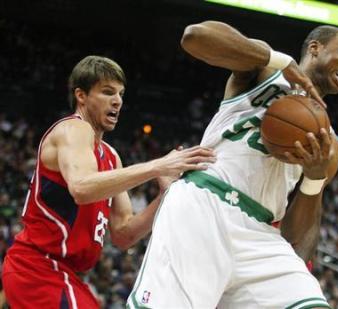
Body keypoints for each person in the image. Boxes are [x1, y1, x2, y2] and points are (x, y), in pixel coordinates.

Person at [128, 21, 338, 308]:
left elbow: (298, 242)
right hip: (206, 203)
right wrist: (278, 60)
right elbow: (195, 37)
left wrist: (313, 178)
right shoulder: (264, 70)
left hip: (260, 233)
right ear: (315, 48)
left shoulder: (329, 145)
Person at [1, 55, 216, 308]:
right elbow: (81, 188)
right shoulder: (73, 129)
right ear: (81, 96)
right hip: (38, 267)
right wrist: (157, 164)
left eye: (121, 93)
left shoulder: (111, 157)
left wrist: (164, 194)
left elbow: (124, 234)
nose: (118, 101)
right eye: (107, 92)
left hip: (64, 274)